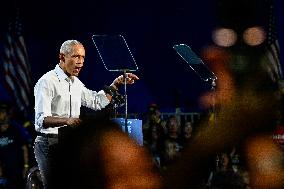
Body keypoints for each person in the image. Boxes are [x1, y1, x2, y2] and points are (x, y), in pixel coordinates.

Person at [33, 39, 139, 189]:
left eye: (83, 58)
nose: (81, 62)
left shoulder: (76, 83)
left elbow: (97, 102)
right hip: (49, 144)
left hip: (68, 142)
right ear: (62, 57)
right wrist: (68, 120)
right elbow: (41, 120)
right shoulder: (47, 81)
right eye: (76, 57)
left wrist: (116, 83)